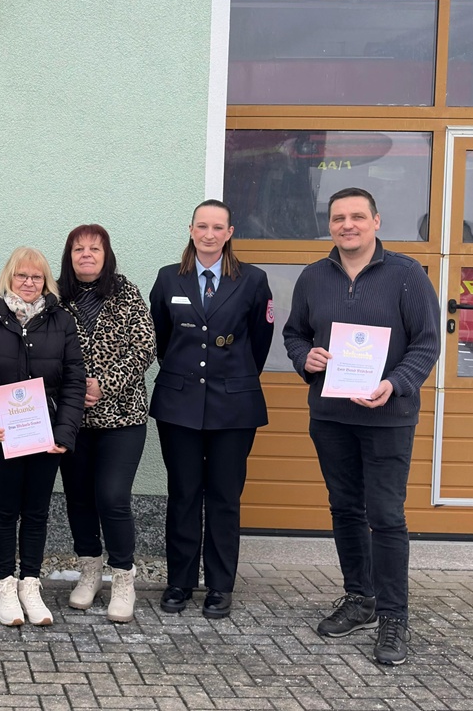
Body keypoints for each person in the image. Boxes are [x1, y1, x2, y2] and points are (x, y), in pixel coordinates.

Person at [282, 187, 439, 667]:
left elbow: (427, 344)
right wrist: (303, 358)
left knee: (386, 514)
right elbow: (295, 333)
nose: (346, 225)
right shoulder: (313, 276)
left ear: (375, 221)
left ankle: (394, 616)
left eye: (356, 217)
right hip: (331, 416)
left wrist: (396, 383)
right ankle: (360, 599)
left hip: (387, 416)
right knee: (346, 509)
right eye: (337, 218)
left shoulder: (407, 275)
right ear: (329, 225)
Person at [148, 199, 273, 620]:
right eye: (202, 226)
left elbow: (259, 342)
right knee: (183, 495)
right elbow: (161, 340)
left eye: (218, 227)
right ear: (191, 229)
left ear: (230, 233)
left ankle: (220, 586)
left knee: (224, 497)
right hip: (179, 404)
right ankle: (179, 583)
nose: (209, 234)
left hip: (234, 406)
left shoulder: (253, 280)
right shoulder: (169, 278)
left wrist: (232, 377)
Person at [0, 247, 86, 627]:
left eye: (36, 277)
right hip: (1, 436)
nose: (29, 283)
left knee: (36, 512)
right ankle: (5, 584)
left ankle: (31, 582)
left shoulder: (61, 320)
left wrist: (65, 430)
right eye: (21, 276)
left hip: (45, 438)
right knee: (4, 510)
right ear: (9, 278)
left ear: (46, 282)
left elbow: (74, 380)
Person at [57, 224, 155, 623]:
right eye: (78, 249)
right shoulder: (56, 298)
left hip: (122, 417)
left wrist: (104, 386)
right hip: (71, 420)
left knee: (112, 497)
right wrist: (75, 389)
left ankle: (123, 577)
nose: (86, 255)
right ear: (70, 256)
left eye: (93, 249)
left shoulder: (127, 293)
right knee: (78, 497)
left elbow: (145, 346)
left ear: (105, 253)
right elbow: (42, 352)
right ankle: (90, 571)